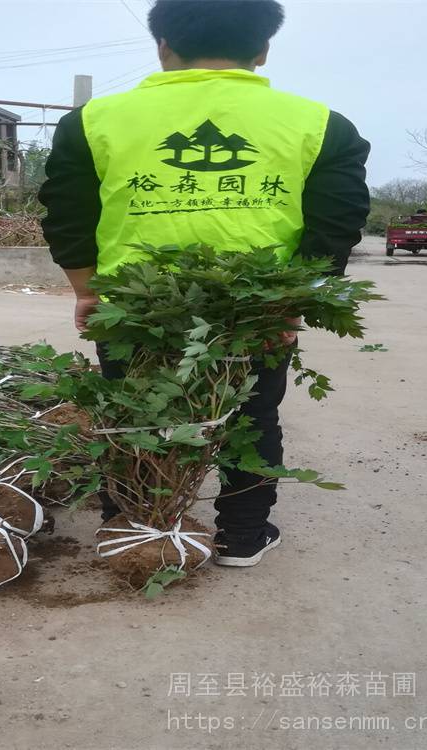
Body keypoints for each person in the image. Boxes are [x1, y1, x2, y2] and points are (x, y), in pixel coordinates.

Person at [39, 0, 370, 567]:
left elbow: (66, 215)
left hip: (134, 306)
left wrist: (87, 291)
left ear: (163, 45)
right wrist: (291, 304)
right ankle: (242, 535)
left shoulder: (94, 121)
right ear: (263, 49)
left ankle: (127, 525)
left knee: (133, 412)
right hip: (255, 308)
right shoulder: (320, 124)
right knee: (250, 416)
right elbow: (335, 224)